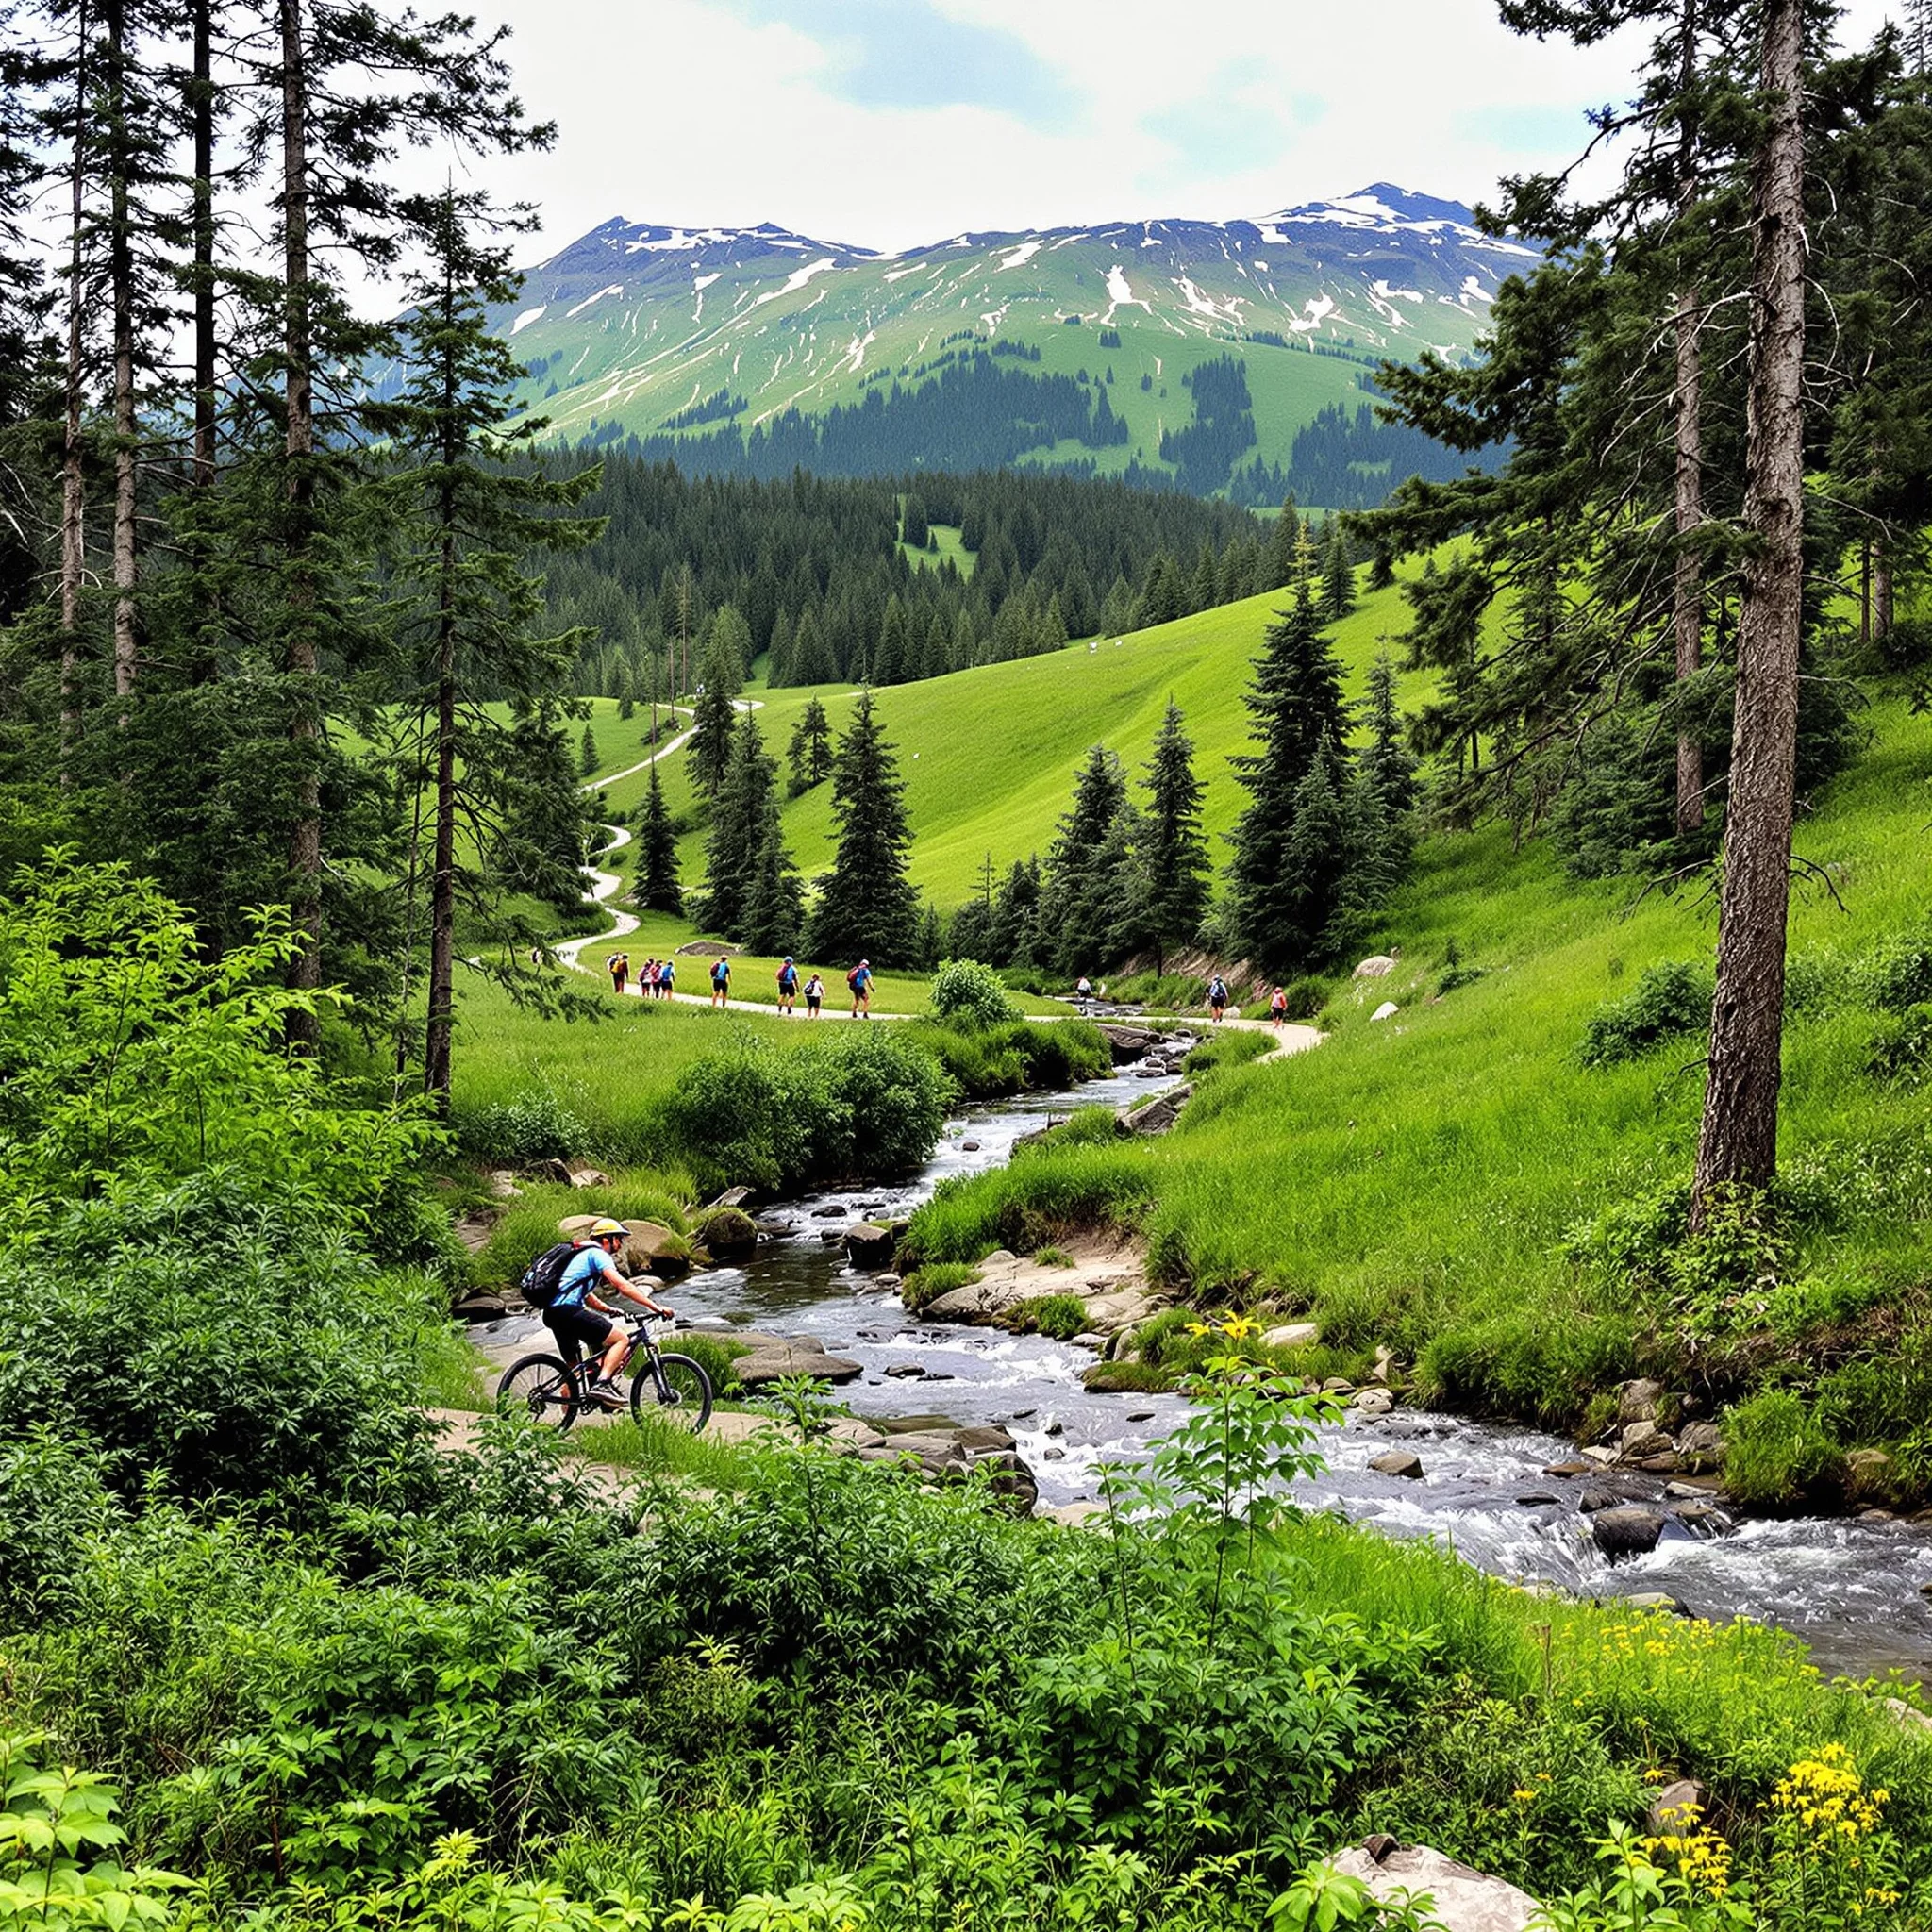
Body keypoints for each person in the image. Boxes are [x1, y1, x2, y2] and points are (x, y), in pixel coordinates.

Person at [546, 1217, 675, 1407]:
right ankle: (603, 1384)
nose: (620, 1244)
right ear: (606, 1239)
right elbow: (622, 1285)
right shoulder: (598, 1254)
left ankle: (564, 1425)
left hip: (553, 1313)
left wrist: (608, 1309)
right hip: (569, 1312)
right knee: (621, 1340)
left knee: (574, 1371)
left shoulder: (578, 1253)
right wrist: (655, 1307)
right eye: (618, 1239)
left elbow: (585, 1295)